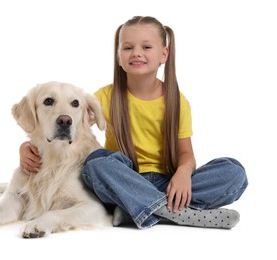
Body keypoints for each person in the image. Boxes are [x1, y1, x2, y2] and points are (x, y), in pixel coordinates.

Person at [19, 16, 248, 229]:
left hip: (166, 182)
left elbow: (186, 154)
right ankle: (173, 212)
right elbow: (67, 129)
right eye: (128, 47)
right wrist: (26, 147)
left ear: (164, 55)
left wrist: (183, 174)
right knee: (95, 164)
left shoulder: (178, 102)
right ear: (119, 57)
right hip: (119, 178)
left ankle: (135, 208)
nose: (136, 53)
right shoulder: (103, 97)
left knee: (234, 171)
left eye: (146, 47)